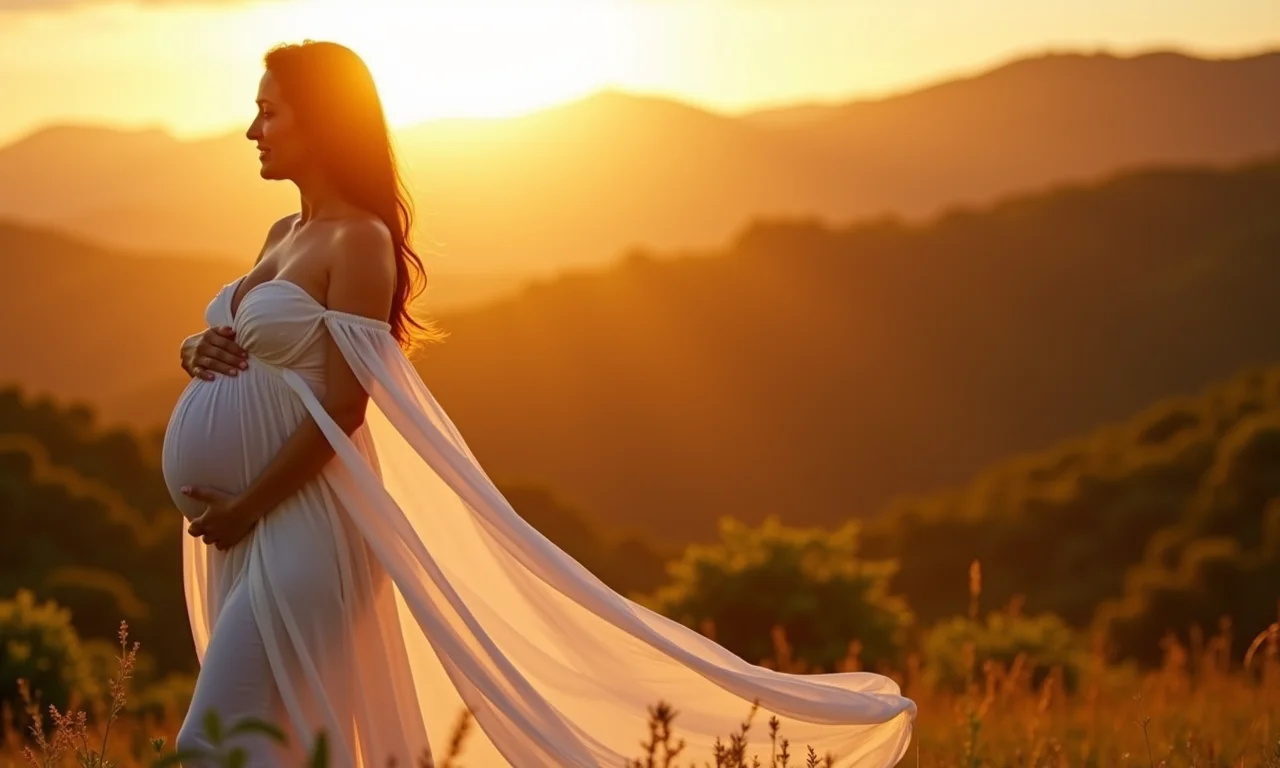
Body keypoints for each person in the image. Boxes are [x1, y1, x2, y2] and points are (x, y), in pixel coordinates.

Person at [163, 39, 915, 768]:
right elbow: (251, 345)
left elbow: (345, 406)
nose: (253, 130)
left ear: (324, 123)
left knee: (213, 742)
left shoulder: (358, 241)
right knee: (282, 745)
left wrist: (247, 506)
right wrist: (198, 350)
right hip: (251, 530)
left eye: (270, 113)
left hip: (307, 527)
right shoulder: (283, 233)